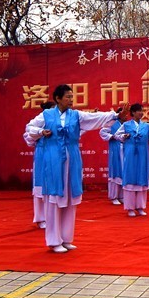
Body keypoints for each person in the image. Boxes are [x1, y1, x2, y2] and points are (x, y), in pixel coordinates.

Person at [24, 85, 130, 252]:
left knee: (69, 198)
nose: (71, 100)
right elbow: (29, 128)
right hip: (52, 159)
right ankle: (53, 240)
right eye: (67, 97)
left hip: (72, 158)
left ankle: (66, 238)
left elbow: (94, 118)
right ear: (58, 98)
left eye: (72, 97)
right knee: (54, 199)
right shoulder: (46, 115)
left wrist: (115, 115)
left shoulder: (76, 115)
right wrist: (40, 131)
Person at [115, 103, 149, 217]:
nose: (141, 113)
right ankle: (130, 208)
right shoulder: (126, 125)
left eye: (142, 111)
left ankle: (140, 207)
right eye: (139, 111)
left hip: (143, 154)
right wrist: (124, 137)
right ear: (133, 113)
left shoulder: (146, 126)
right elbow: (117, 135)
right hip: (130, 154)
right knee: (130, 179)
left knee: (142, 178)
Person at [24, 101, 55, 229]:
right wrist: (41, 132)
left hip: (54, 155)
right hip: (42, 154)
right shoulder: (42, 117)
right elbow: (28, 133)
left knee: (52, 186)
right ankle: (40, 217)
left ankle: (50, 217)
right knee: (40, 186)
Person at [100, 117, 124, 205]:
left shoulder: (127, 125)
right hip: (115, 150)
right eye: (123, 114)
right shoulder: (112, 124)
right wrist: (112, 136)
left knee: (123, 173)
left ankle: (121, 196)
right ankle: (113, 196)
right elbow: (102, 132)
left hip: (125, 151)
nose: (125, 116)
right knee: (115, 173)